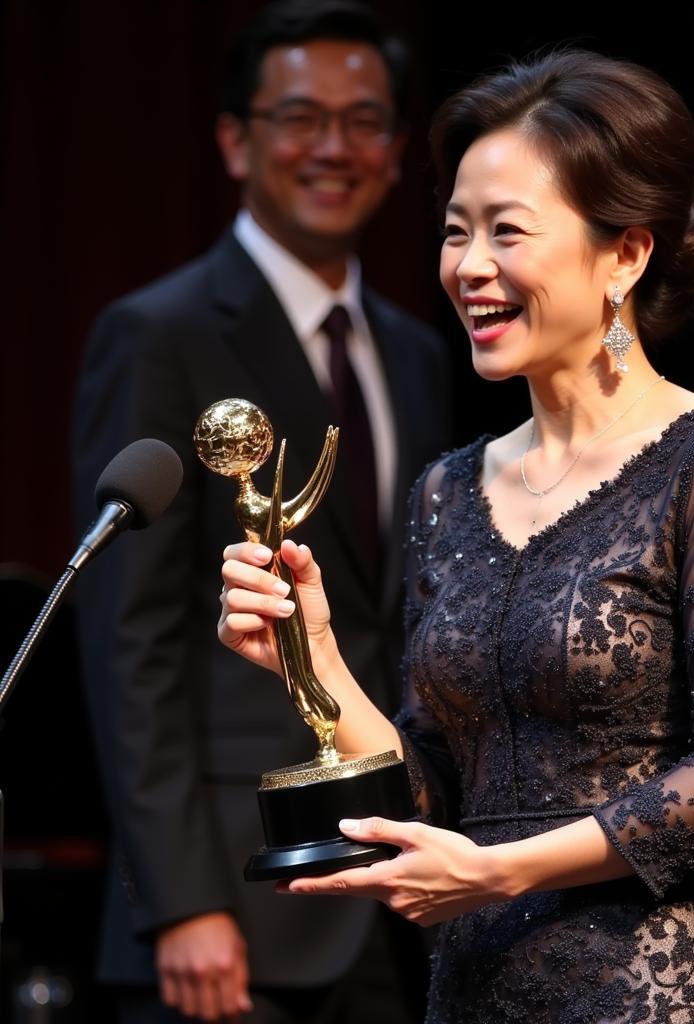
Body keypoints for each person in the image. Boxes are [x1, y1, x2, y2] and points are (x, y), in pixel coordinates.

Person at [219, 49, 694, 1023]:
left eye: (507, 231)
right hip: (475, 986)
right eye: (455, 233)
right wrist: (307, 653)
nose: (470, 267)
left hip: (648, 987)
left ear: (625, 253)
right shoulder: (449, 491)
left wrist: (500, 871)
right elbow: (431, 789)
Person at [71, 2, 450, 1021]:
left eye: (364, 121)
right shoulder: (158, 333)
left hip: (399, 883)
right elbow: (128, 638)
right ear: (237, 141)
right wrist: (180, 900)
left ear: (397, 149)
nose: (333, 147)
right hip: (232, 907)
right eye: (299, 117)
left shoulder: (418, 352)